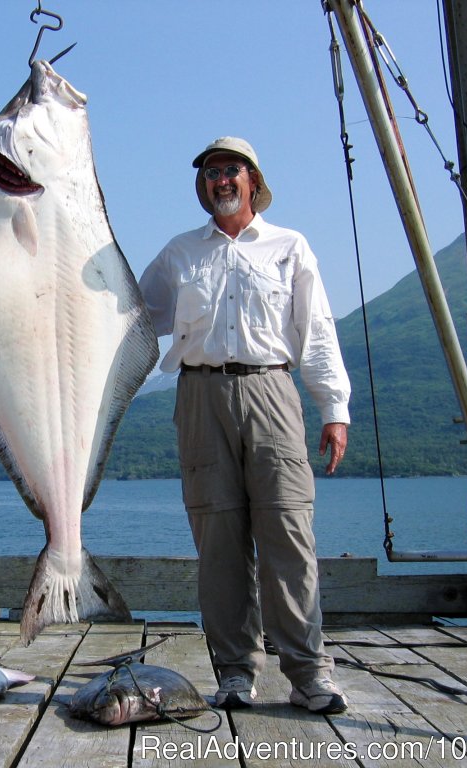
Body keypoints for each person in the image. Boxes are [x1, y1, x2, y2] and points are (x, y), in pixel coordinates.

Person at [138, 137, 351, 715]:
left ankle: (309, 673)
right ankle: (235, 671)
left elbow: (318, 330)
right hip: (200, 397)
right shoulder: (180, 253)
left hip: (273, 389)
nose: (221, 179)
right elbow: (132, 314)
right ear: (202, 186)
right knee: (219, 542)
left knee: (289, 533)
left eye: (231, 169)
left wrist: (333, 408)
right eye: (210, 172)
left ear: (253, 180)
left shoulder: (290, 246)